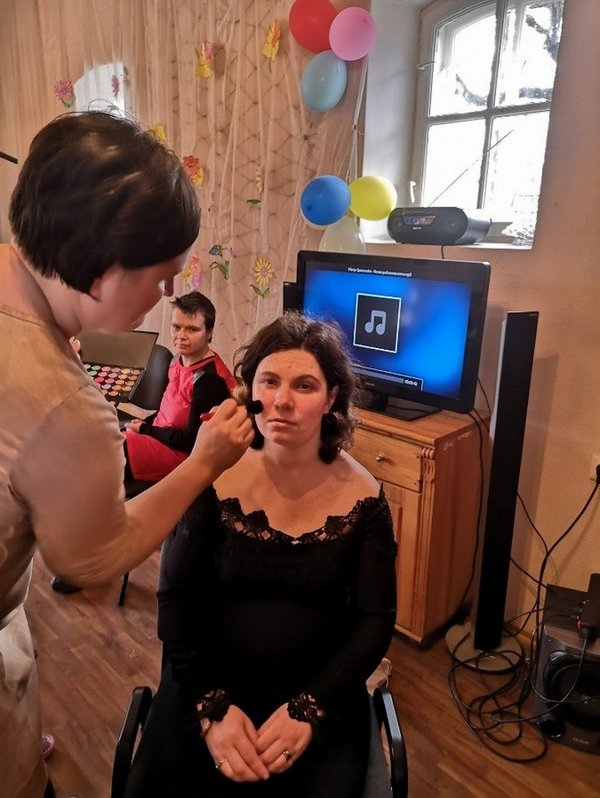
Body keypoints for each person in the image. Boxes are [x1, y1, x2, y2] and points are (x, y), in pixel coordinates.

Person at [0, 110, 253, 798]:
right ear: (104, 270)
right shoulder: (65, 406)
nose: (166, 298)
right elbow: (89, 559)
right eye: (161, 278)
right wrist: (205, 463)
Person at [125, 312, 398, 797]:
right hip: (206, 681)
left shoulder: (365, 497)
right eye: (269, 381)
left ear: (331, 398)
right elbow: (175, 599)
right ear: (250, 389)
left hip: (321, 690)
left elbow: (374, 621)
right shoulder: (213, 475)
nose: (282, 401)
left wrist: (309, 708)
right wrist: (211, 709)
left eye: (304, 386)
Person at [124, 290, 238, 482]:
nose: (181, 336)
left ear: (209, 333)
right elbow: (166, 413)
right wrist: (143, 425)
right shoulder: (177, 360)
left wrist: (144, 429)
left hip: (182, 457)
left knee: (106, 454)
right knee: (101, 441)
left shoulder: (210, 380)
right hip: (161, 438)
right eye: (176, 327)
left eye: (192, 329)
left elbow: (189, 442)